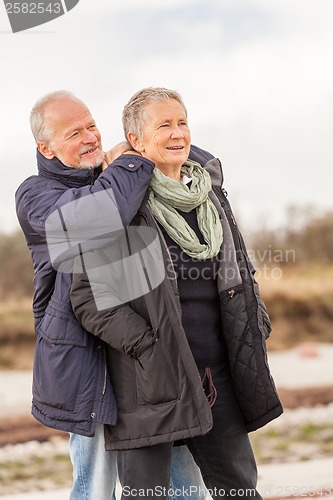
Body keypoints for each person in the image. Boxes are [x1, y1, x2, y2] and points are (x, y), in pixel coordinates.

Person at [70, 87, 284, 499]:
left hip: (218, 373)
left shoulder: (209, 196)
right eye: (163, 125)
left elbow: (242, 270)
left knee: (239, 489)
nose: (177, 134)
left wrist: (257, 320)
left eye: (182, 122)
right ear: (135, 141)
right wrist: (147, 346)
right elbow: (90, 298)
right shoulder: (124, 205)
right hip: (151, 380)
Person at [15, 90, 208, 500]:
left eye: (91, 126)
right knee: (96, 485)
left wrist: (145, 145)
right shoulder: (34, 195)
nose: (90, 137)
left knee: (183, 479)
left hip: (143, 353)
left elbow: (185, 157)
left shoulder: (119, 174)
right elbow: (100, 217)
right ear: (45, 148)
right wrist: (132, 159)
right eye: (74, 132)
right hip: (87, 361)